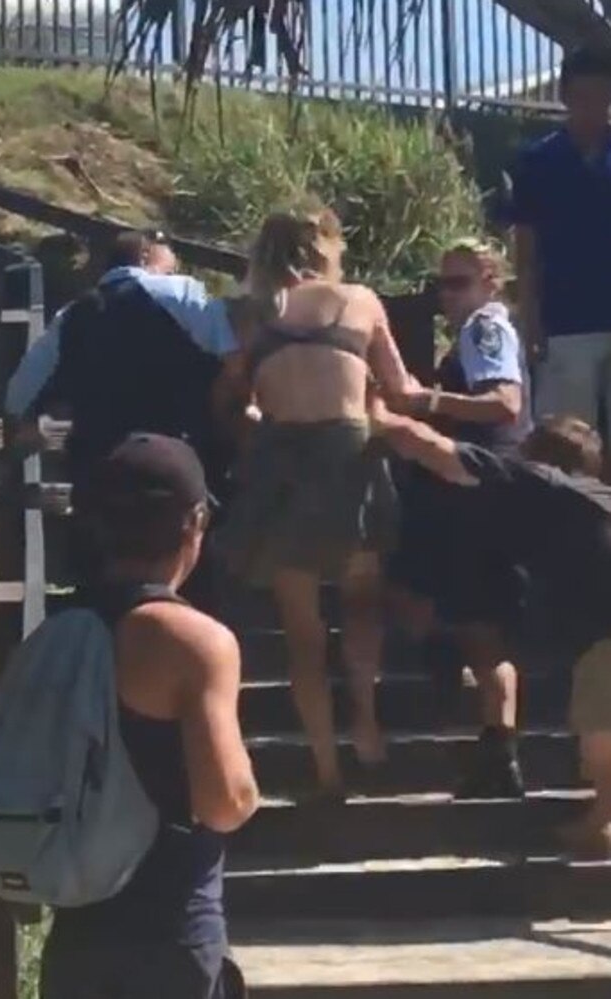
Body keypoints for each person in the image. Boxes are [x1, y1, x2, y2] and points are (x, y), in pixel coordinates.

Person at [0, 432, 259, 997]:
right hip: (172, 934)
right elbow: (224, 803)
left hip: (78, 931)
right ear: (194, 522)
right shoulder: (195, 643)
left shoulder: (50, 639)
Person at [221, 205, 413, 797]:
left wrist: (259, 420)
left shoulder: (252, 314)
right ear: (326, 247)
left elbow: (231, 400)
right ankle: (367, 720)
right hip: (348, 453)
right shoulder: (359, 300)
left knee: (302, 631)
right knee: (361, 600)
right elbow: (401, 389)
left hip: (281, 459)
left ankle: (326, 768)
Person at [374, 405, 611, 858]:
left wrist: (378, 415)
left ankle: (602, 824)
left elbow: (437, 450)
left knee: (601, 731)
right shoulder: (594, 496)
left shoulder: (540, 483)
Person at [388, 239, 532, 799]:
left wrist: (427, 402)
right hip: (482, 492)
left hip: (478, 490)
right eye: (443, 284)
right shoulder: (479, 329)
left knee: (479, 625)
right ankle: (492, 740)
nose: (449, 295)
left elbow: (505, 404)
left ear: (491, 283)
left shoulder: (485, 330)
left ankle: (496, 744)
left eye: (461, 283)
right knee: (471, 619)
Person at [5, 230, 237, 498]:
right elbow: (230, 359)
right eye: (171, 253)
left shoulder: (72, 314)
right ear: (145, 254)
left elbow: (20, 396)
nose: (176, 266)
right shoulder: (180, 291)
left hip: (98, 470)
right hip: (176, 464)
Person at [509, 46, 611, 437]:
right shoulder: (538, 162)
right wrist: (530, 321)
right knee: (568, 442)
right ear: (566, 96)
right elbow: (526, 248)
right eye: (584, 98)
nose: (595, 110)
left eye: (604, 98)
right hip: (564, 324)